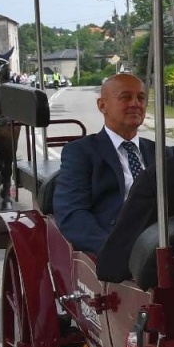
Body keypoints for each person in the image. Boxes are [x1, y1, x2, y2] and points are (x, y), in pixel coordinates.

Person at [52, 74, 153, 255]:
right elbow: (72, 213)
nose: (135, 104)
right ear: (102, 105)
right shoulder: (81, 153)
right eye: (126, 97)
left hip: (158, 243)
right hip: (116, 246)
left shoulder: (160, 152)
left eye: (141, 98)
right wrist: (113, 250)